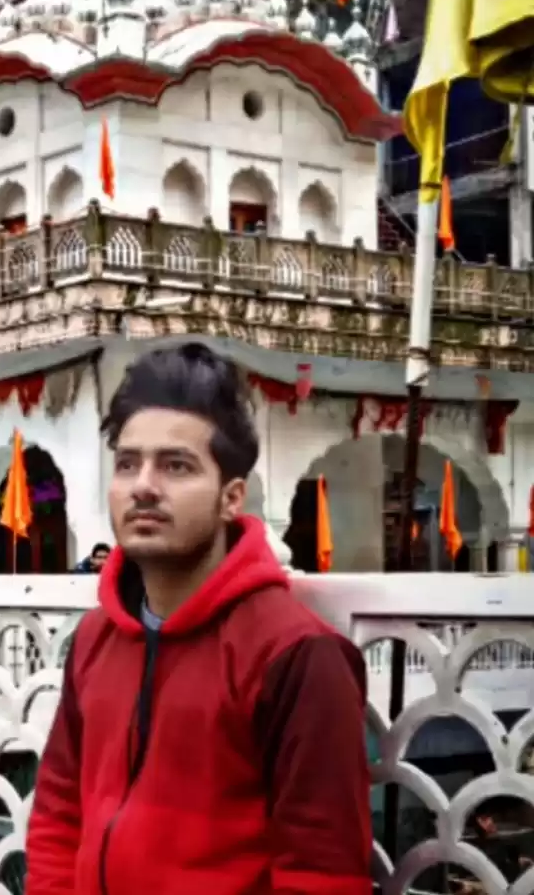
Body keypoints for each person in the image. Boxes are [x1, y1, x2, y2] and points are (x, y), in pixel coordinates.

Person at [26, 343, 372, 895]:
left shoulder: (296, 656)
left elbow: (320, 873)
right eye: (127, 463)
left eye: (176, 466)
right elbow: (59, 812)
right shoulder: (96, 637)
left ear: (231, 497)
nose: (143, 485)